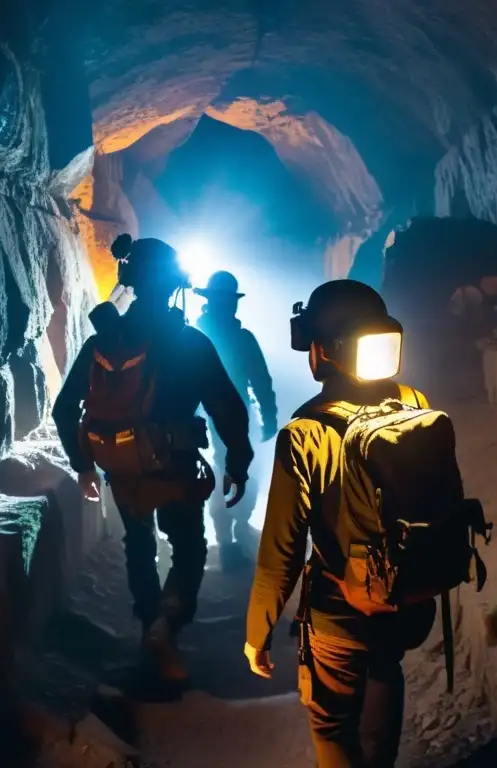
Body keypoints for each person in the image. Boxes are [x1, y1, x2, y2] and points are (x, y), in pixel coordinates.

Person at [244, 280, 441, 767]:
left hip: (339, 609)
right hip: (407, 600)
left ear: (323, 351)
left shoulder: (305, 431)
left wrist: (257, 631)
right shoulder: (415, 403)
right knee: (385, 670)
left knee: (332, 724)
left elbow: (281, 549)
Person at [53, 234, 254, 683]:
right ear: (173, 285)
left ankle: (149, 628)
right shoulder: (190, 343)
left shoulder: (103, 342)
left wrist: (84, 464)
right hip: (177, 464)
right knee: (188, 546)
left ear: (131, 281)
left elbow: (64, 408)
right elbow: (226, 406)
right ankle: (167, 624)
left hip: (122, 467)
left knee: (139, 545)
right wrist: (237, 462)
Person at [194, 270, 278, 570]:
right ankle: (231, 539)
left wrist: (268, 416)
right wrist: (268, 417)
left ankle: (232, 536)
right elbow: (260, 380)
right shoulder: (238, 339)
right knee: (231, 472)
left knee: (227, 473)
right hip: (225, 417)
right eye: (226, 301)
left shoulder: (193, 336)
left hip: (211, 417)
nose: (230, 307)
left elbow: (261, 379)